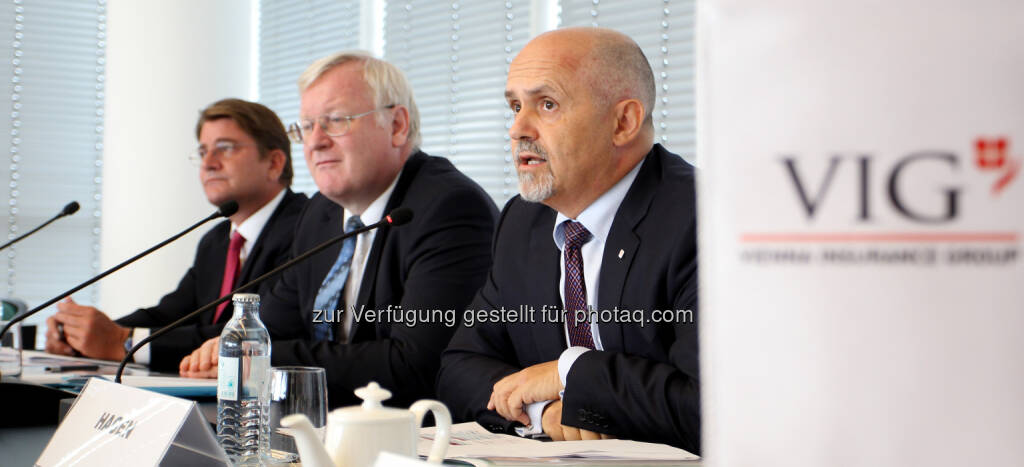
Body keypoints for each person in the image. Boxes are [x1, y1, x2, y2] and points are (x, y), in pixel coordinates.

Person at [180, 52, 498, 408]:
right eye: (306, 126)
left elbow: (413, 364)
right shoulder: (320, 213)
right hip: (317, 424)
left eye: (335, 121)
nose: (315, 141)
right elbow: (272, 326)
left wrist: (262, 356)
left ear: (396, 126)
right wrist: (236, 347)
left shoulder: (449, 208)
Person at [436, 27, 700, 453]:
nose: (517, 128)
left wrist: (570, 371)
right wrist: (545, 410)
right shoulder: (523, 221)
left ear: (623, 122)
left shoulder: (701, 218)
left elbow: (708, 405)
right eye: (515, 106)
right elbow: (460, 366)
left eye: (547, 104)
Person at [44, 98, 308, 372]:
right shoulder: (216, 240)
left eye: (225, 148)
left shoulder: (307, 230)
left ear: (274, 163)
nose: (208, 163)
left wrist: (122, 342)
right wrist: (84, 336)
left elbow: (257, 332)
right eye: (203, 151)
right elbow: (170, 315)